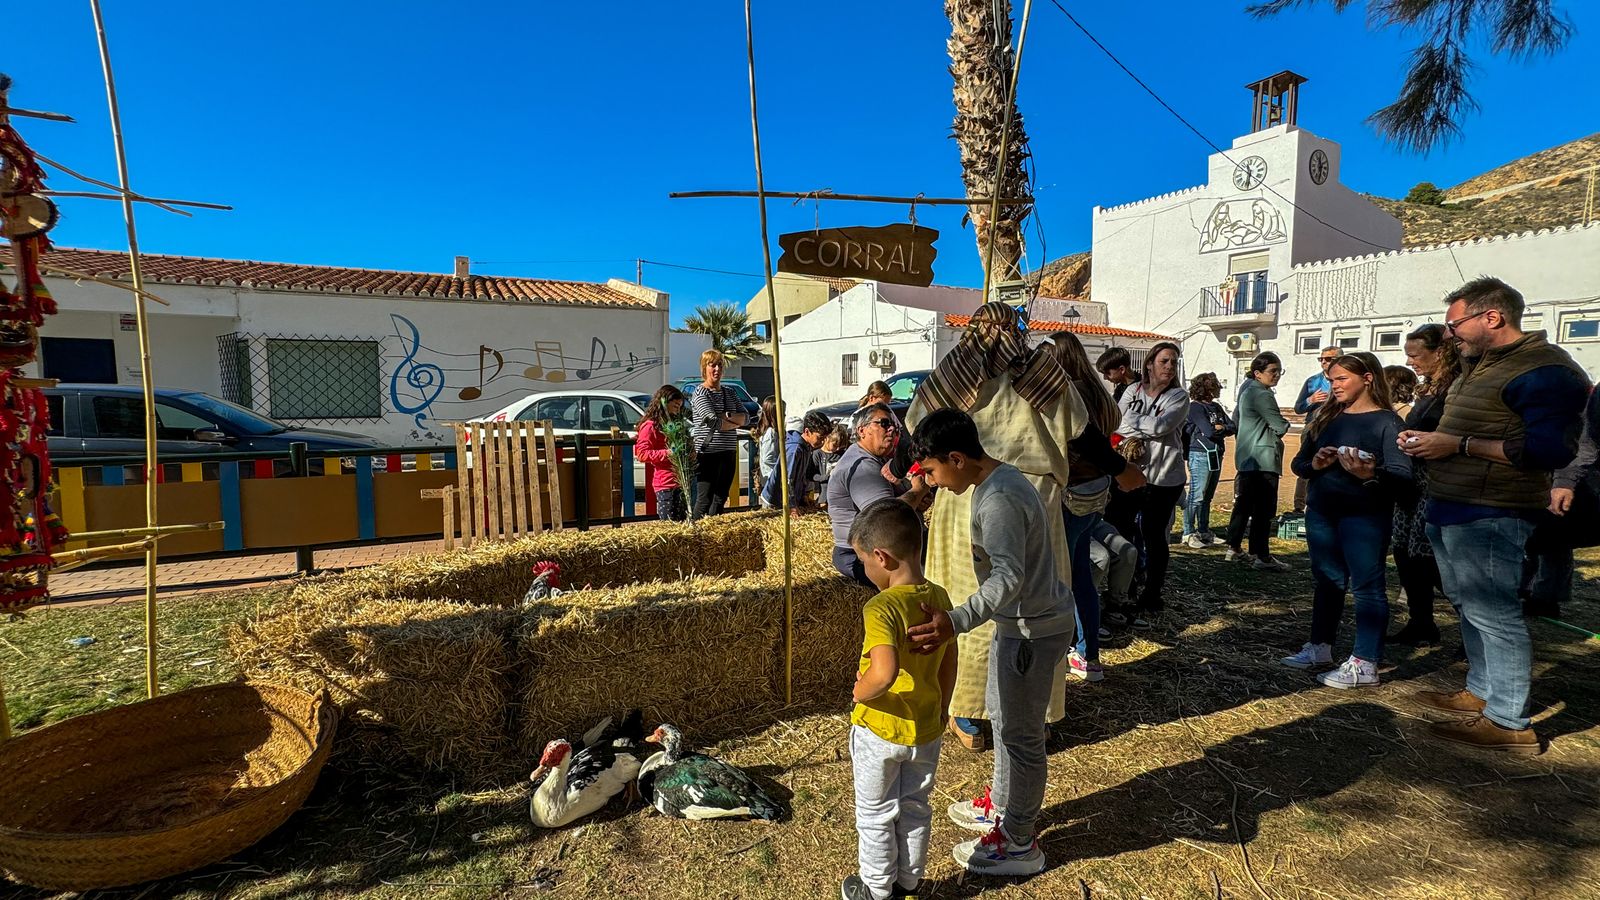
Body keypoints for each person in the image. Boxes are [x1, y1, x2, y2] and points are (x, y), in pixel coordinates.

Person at [1400, 276, 1589, 754]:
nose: (1448, 334)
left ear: (1492, 317)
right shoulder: (1480, 364)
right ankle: (1481, 692)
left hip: (1491, 510)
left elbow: (1549, 448)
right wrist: (1428, 443)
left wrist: (1457, 444)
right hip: (1452, 503)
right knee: (1469, 605)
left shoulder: (1545, 371)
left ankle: (1509, 722)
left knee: (1496, 613)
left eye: (1454, 324)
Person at [907, 302, 1086, 752]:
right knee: (1021, 599)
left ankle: (976, 713)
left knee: (984, 595)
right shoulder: (1042, 374)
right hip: (1012, 493)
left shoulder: (955, 374)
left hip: (973, 493)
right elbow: (1078, 422)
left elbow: (917, 420)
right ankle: (1022, 711)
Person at [905, 408, 1074, 877]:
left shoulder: (996, 500)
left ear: (957, 458)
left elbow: (1009, 577)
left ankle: (1019, 841)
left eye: (934, 471)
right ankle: (1002, 806)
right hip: (1022, 626)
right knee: (1003, 720)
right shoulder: (1002, 479)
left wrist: (955, 621)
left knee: (1020, 739)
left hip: (1030, 631)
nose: (934, 483)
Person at [841, 500, 957, 900]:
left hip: (880, 728)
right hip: (925, 728)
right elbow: (949, 658)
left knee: (875, 813)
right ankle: (909, 880)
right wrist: (943, 707)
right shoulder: (939, 597)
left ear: (881, 557)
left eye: (864, 564)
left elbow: (884, 673)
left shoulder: (881, 607)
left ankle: (875, 888)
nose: (866, 573)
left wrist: (858, 692)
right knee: (914, 806)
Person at [1283, 352, 1412, 687]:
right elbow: (1299, 465)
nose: (1334, 385)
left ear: (1367, 378)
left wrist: (1371, 473)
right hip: (1323, 511)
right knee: (1327, 579)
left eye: (1341, 379)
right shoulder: (1326, 417)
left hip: (1365, 516)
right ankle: (1320, 646)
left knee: (1367, 586)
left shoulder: (1387, 422)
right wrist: (1318, 465)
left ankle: (1365, 662)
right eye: (1332, 379)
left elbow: (1402, 476)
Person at [1045, 331, 1146, 680]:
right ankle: (1089, 655)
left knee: (1062, 576)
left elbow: (1076, 443)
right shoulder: (1097, 391)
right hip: (1097, 491)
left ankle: (1069, 655)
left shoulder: (1066, 393)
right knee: (1081, 576)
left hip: (1071, 491)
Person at [1108, 341, 1189, 623]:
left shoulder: (1179, 397)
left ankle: (1152, 593)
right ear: (1150, 364)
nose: (1169, 367)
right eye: (1164, 361)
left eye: (1173, 363)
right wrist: (1139, 423)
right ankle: (1125, 590)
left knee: (1154, 536)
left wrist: (1133, 420)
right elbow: (1116, 422)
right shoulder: (1133, 390)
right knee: (1124, 530)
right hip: (1132, 473)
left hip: (1164, 477)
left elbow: (1162, 427)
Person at [1389, 324, 1460, 646]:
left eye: (1415, 355)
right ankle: (1421, 623)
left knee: (1431, 560)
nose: (1410, 362)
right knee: (1405, 552)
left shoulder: (1458, 389)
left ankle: (1474, 632)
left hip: (1437, 484)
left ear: (1440, 352)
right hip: (1410, 486)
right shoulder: (1430, 388)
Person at [828, 402, 931, 586]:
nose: (891, 429)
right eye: (883, 423)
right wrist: (918, 491)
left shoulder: (878, 459)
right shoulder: (861, 466)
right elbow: (887, 517)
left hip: (884, 549)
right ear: (861, 431)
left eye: (894, 425)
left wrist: (917, 500)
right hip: (863, 556)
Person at [1520, 386, 1600, 620]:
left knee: (1551, 540)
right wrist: (1565, 481)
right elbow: (1588, 442)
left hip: (1576, 478)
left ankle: (1545, 595)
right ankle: (1541, 595)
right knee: (1549, 538)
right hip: (1561, 476)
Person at [1225, 352, 1293, 570]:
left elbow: (1238, 421)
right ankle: (1261, 555)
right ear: (1258, 373)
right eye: (1272, 371)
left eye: (1279, 371)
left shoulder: (1246, 391)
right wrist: (1285, 424)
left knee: (1244, 505)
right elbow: (1279, 426)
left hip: (1247, 456)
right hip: (1263, 458)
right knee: (1264, 509)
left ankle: (1234, 547)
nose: (1276, 376)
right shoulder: (1263, 394)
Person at [688, 350, 748, 517]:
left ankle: (714, 530)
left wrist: (727, 416)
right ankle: (696, 533)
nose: (716, 369)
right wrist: (735, 422)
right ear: (704, 368)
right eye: (712, 365)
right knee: (704, 499)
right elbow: (712, 422)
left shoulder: (729, 392)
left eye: (719, 365)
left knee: (720, 497)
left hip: (728, 452)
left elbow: (747, 418)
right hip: (707, 453)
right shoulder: (700, 393)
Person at [1182, 372, 1235, 549]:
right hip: (1200, 454)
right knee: (1196, 495)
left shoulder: (1216, 407)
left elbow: (1232, 426)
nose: (1218, 388)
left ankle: (1204, 530)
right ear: (1206, 389)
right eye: (1215, 386)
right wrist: (1218, 429)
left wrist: (1222, 427)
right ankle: (1188, 532)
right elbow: (1209, 432)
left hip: (1216, 453)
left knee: (1207, 496)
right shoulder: (1195, 408)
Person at [1291, 346, 1341, 513]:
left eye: (1329, 359)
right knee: (1307, 463)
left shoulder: (1345, 380)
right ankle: (1299, 507)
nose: (1324, 362)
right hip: (1313, 427)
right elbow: (1298, 408)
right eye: (1321, 359)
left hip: (1337, 428)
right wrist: (1310, 400)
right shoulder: (1312, 381)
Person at [634, 385, 693, 521]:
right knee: (669, 525)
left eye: (680, 405)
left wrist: (690, 452)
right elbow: (642, 453)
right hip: (665, 484)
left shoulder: (677, 423)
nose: (678, 407)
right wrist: (668, 453)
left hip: (682, 481)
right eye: (675, 403)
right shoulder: (650, 426)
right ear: (664, 402)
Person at [760, 409, 833, 511]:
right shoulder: (794, 450)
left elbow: (801, 476)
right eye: (820, 437)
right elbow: (787, 480)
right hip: (776, 500)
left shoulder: (807, 447)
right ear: (807, 432)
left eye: (825, 438)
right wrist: (792, 506)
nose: (822, 442)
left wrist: (802, 496)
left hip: (788, 498)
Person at [1087, 517, 1138, 612]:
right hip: (1063, 521)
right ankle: (1084, 611)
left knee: (1128, 551)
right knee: (1100, 558)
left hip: (1091, 518)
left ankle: (1115, 606)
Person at [812, 423, 851, 506]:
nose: (837, 449)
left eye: (840, 447)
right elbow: (812, 475)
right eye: (835, 445)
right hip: (824, 496)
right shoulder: (817, 454)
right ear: (827, 438)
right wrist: (826, 477)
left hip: (840, 495)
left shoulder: (842, 454)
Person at [753, 397, 780, 509]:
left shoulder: (771, 431)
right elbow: (768, 458)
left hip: (771, 478)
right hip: (771, 478)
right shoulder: (771, 433)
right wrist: (780, 469)